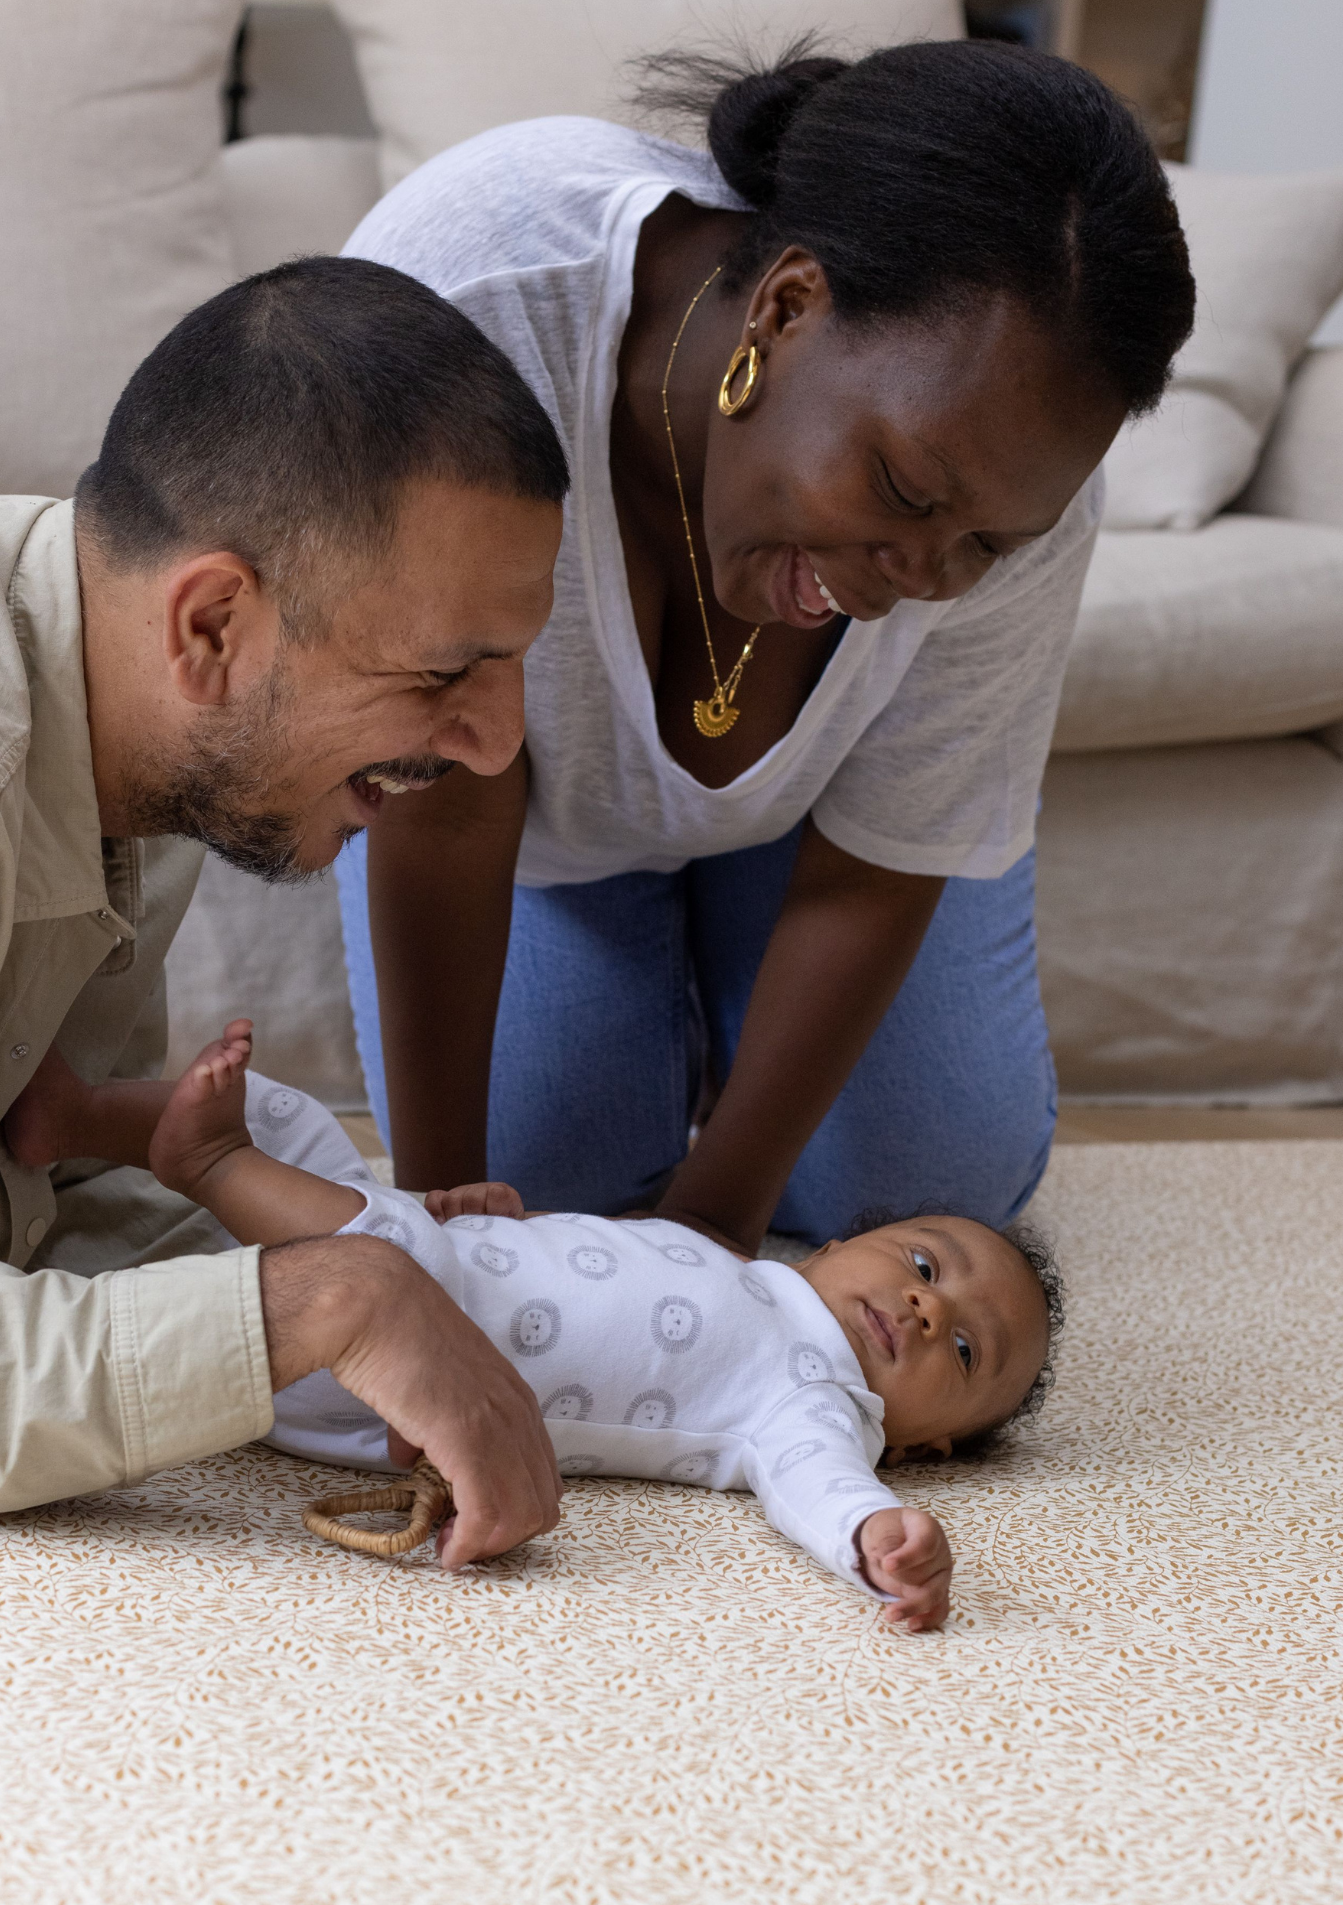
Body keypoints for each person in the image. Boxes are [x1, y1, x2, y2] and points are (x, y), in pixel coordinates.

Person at [334, 39, 1196, 1255]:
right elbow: (447, 799)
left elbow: (881, 857)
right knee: (541, 1183)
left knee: (922, 1190)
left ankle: (714, 1001)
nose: (921, 581)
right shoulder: (471, 311)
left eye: (985, 545)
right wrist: (437, 1233)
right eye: (899, 488)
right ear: (786, 308)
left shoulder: (1013, 488)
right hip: (493, 814)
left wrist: (714, 1224)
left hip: (818, 841)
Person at [0, 257, 572, 1560]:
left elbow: (37, 1197)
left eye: (514, 664)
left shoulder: (131, 738)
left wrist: (407, 1262)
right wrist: (328, 1301)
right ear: (213, 625)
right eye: (449, 673)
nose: (497, 743)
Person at [6, 1016, 1065, 1633]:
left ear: (931, 1443)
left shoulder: (818, 1402)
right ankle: (80, 1118)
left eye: (967, 1351)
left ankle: (212, 1167)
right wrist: (486, 1226)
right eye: (927, 1264)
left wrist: (875, 1537)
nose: (930, 1309)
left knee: (381, 1251)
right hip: (434, 1266)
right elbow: (597, 1268)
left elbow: (815, 1481)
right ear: (836, 1246)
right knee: (298, 1122)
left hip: (398, 1383)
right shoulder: (748, 1271)